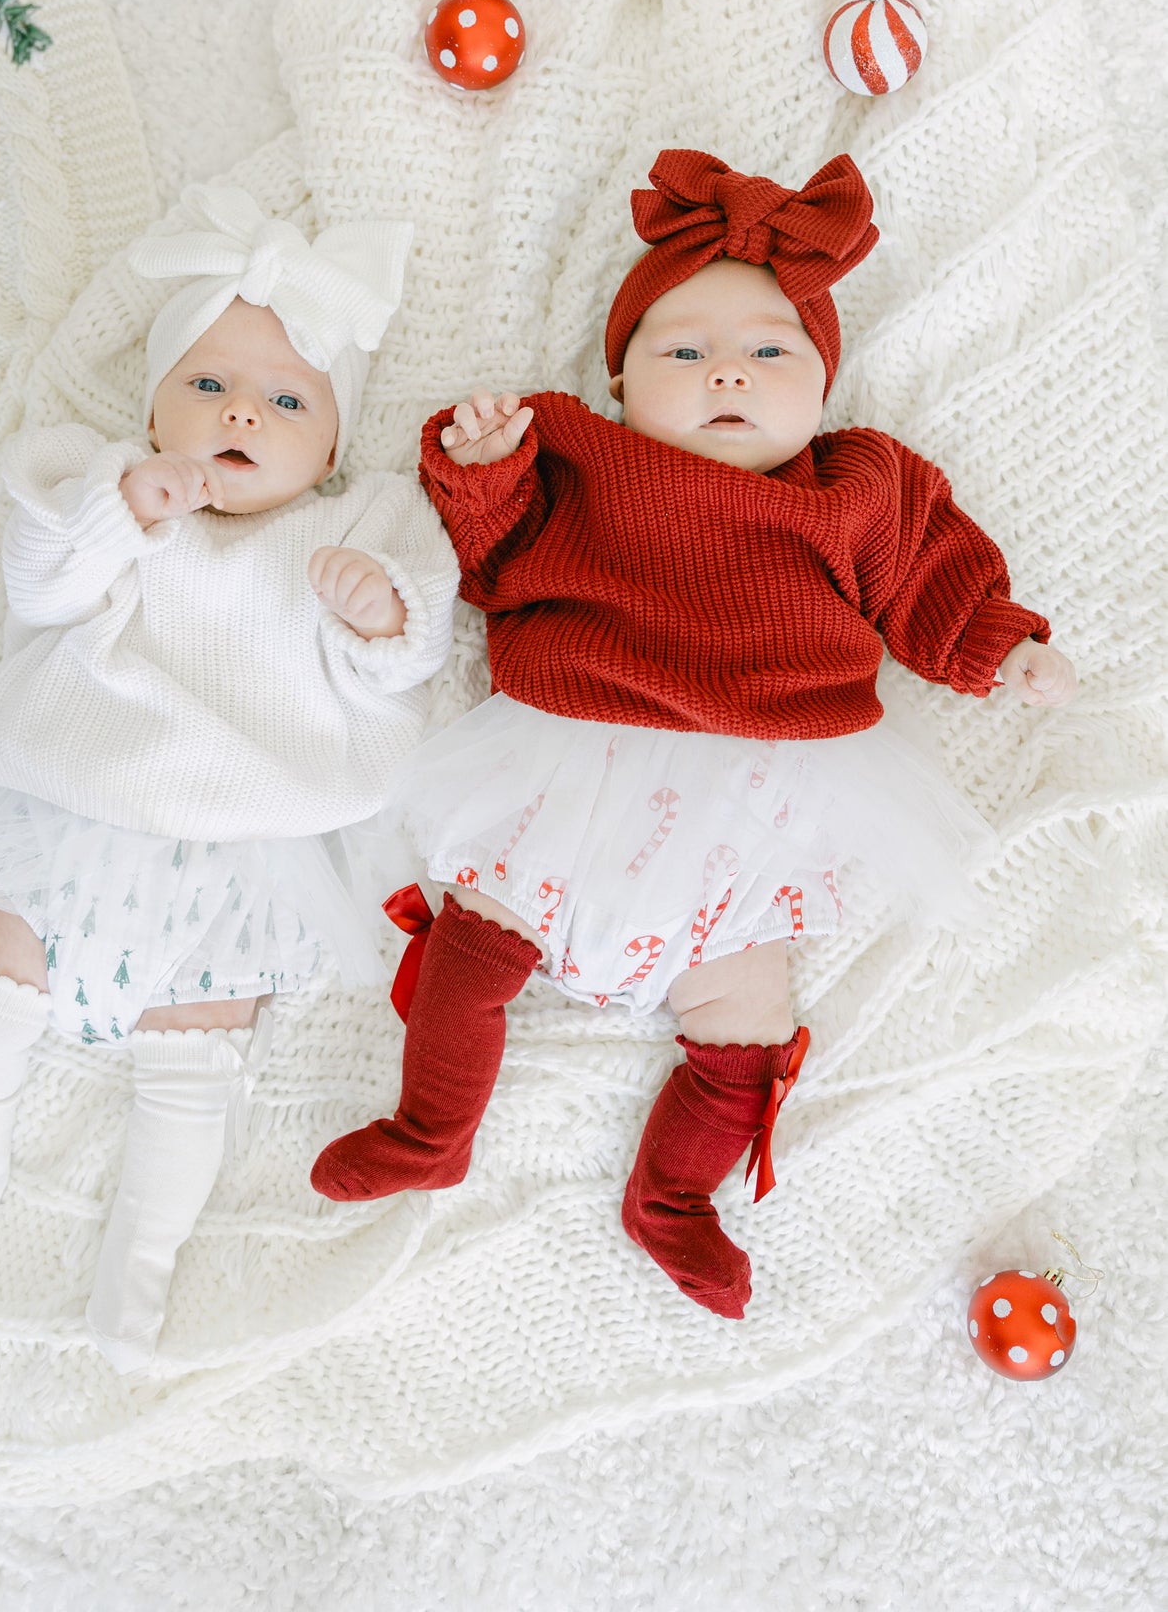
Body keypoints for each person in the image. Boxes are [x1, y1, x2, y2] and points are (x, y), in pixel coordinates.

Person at [312, 149, 1075, 1320]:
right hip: (574, 742)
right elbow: (484, 553)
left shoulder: (856, 486)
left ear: (821, 383)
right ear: (617, 380)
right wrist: (481, 467)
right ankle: (432, 1125)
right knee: (477, 936)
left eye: (769, 351)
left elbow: (932, 576)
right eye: (682, 351)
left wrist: (995, 643)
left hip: (760, 792)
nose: (727, 369)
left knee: (745, 1013)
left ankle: (671, 1195)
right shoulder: (579, 452)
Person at [0, 184, 458, 1370]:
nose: (239, 407)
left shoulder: (359, 526)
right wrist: (115, 514)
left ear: (336, 445)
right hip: (76, 794)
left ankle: (140, 1257)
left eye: (285, 399)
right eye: (204, 385)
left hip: (251, 838)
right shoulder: (110, 491)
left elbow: (410, 656)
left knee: (192, 1048)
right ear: (150, 408)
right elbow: (37, 592)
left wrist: (377, 613)